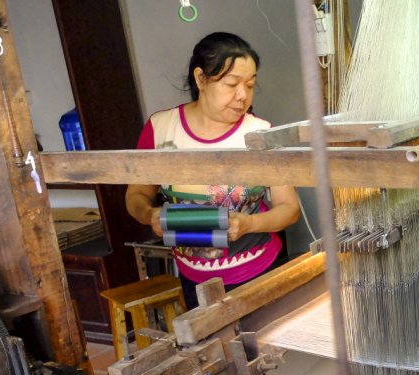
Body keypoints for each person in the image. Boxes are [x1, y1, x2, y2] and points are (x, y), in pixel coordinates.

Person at [126, 32, 300, 309]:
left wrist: (248, 224)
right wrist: (149, 215)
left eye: (250, 85)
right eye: (232, 84)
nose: (242, 95)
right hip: (193, 277)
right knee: (212, 348)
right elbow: (136, 194)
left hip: (257, 271)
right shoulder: (161, 129)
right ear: (200, 79)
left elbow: (289, 209)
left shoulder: (260, 134)